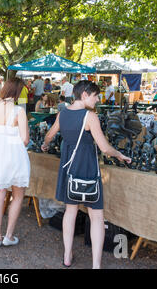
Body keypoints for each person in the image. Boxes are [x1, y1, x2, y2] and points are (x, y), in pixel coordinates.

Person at [41, 80, 131, 269]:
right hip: (88, 168)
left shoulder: (62, 113)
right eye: (95, 96)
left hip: (69, 167)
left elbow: (49, 135)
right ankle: (96, 265)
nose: (97, 100)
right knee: (96, 216)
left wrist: (45, 144)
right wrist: (120, 154)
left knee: (70, 211)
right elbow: (105, 148)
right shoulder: (90, 117)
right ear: (84, 95)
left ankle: (67, 256)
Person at [0, 77, 30, 249]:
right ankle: (8, 235)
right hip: (15, 154)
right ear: (17, 92)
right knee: (18, 197)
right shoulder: (18, 111)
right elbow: (25, 140)